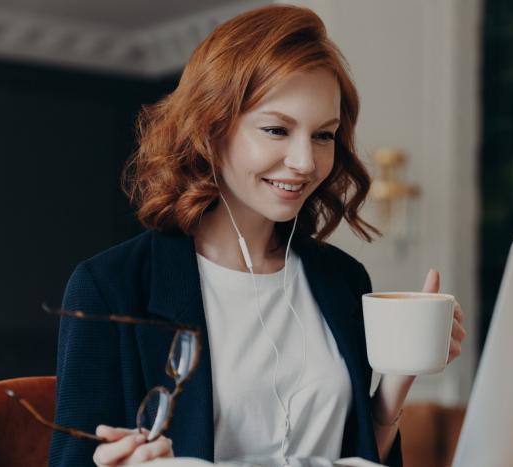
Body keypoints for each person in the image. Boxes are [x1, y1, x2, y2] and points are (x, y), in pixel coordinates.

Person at [48, 5, 466, 467]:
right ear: (211, 130)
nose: (305, 162)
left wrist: (396, 380)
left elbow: (358, 457)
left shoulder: (343, 281)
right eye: (276, 130)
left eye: (323, 136)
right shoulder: (110, 286)